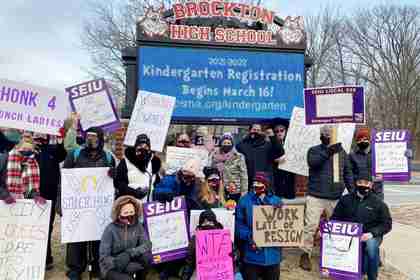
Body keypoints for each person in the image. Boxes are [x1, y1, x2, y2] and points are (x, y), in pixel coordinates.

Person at [60, 127, 116, 280]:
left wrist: (113, 175)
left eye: (94, 137)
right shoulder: (75, 155)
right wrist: (62, 205)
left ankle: (98, 266)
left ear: (101, 139)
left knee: (100, 236)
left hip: (99, 205)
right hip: (78, 205)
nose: (91, 141)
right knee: (77, 236)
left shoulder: (109, 157)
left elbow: (115, 182)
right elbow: (64, 180)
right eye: (88, 137)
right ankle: (75, 268)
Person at [299, 125, 354, 271]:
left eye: (329, 134)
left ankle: (334, 255)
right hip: (315, 195)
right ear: (320, 135)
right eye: (324, 134)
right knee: (310, 226)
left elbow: (347, 173)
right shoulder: (314, 150)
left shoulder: (342, 153)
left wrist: (352, 191)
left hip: (335, 197)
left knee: (335, 227)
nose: (326, 136)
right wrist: (329, 151)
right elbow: (313, 163)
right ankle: (305, 254)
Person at [330, 179, 392, 280]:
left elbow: (387, 224)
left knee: (371, 246)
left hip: (370, 234)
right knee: (360, 268)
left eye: (366, 183)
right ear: (356, 183)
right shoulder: (345, 200)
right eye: (360, 182)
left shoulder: (378, 203)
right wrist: (326, 229)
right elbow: (335, 217)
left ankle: (372, 277)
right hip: (350, 235)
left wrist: (372, 233)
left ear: (371, 185)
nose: (363, 185)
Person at [153, 158, 202, 280]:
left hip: (184, 218)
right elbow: (156, 191)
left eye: (191, 177)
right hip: (168, 216)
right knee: (167, 243)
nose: (187, 180)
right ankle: (162, 269)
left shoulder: (196, 184)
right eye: (185, 176)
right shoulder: (170, 179)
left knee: (181, 246)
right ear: (181, 172)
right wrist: (166, 193)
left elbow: (196, 201)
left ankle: (170, 270)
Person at [236, 172, 282, 280]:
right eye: (255, 183)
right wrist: (250, 236)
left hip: (272, 256)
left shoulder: (276, 201)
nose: (257, 185)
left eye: (260, 183)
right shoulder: (244, 201)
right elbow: (239, 225)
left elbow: (284, 225)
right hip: (252, 255)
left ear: (266, 185)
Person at [32, 132, 67, 270]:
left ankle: (46, 258)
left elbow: (62, 154)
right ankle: (32, 257)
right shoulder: (29, 149)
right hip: (31, 196)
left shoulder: (53, 149)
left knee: (46, 227)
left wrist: (60, 141)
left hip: (49, 197)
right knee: (32, 227)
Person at [99, 195, 152, 280]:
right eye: (126, 213)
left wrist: (130, 253)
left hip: (131, 258)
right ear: (118, 213)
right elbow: (104, 257)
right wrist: (120, 263)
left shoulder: (138, 225)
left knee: (147, 257)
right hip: (112, 266)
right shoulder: (110, 229)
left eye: (131, 212)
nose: (129, 215)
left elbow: (147, 244)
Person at [181, 209, 239, 280]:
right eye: (204, 222)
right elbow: (190, 261)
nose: (207, 224)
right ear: (201, 224)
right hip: (204, 275)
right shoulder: (196, 239)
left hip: (222, 275)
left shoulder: (223, 237)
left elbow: (235, 254)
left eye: (210, 221)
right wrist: (185, 276)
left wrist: (234, 255)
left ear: (214, 222)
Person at [114, 134, 162, 203]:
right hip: (131, 205)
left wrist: (161, 193)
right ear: (135, 147)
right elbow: (118, 182)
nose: (143, 148)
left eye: (146, 146)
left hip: (149, 205)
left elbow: (157, 184)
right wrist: (133, 192)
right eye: (140, 146)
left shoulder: (153, 163)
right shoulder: (125, 162)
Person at [236, 124, 275, 190]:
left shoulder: (268, 145)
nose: (256, 132)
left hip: (262, 180)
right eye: (254, 130)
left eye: (258, 130)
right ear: (249, 131)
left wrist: (272, 137)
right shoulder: (241, 145)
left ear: (261, 132)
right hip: (247, 179)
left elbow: (278, 153)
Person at [211, 133, 248, 202]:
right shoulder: (214, 156)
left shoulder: (238, 156)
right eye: (224, 142)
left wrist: (244, 192)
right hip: (219, 189)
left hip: (235, 189)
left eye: (228, 143)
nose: (226, 144)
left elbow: (244, 175)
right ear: (221, 143)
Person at [269, 119, 296, 199]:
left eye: (281, 130)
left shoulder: (291, 143)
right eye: (277, 131)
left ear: (285, 131)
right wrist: (275, 160)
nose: (279, 133)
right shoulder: (271, 143)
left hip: (289, 176)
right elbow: (268, 157)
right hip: (277, 176)